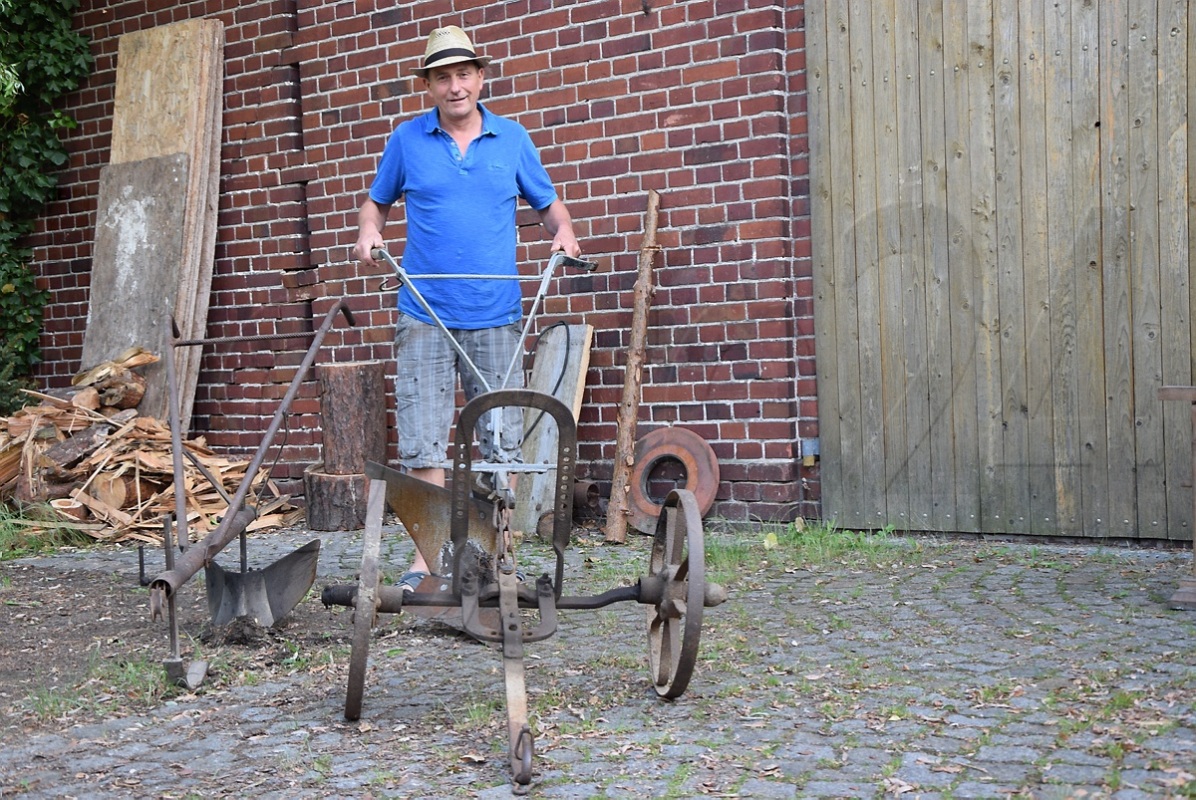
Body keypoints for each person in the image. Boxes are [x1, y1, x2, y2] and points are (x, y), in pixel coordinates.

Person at [353, 25, 582, 592]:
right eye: (442, 77)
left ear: (480, 78)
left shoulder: (512, 140)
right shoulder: (407, 141)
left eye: (463, 74)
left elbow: (553, 209)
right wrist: (368, 234)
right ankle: (424, 563)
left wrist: (565, 236)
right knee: (423, 437)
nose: (454, 86)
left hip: (496, 313)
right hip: (425, 313)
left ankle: (498, 556)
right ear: (428, 84)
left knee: (500, 440)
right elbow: (374, 206)